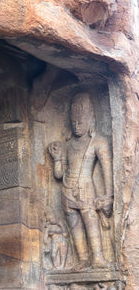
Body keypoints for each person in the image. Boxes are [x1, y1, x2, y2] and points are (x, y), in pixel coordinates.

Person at [48, 92, 113, 270]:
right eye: (74, 123)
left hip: (86, 191)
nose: (76, 127)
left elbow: (107, 171)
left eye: (80, 123)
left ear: (91, 118)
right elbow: (59, 175)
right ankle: (83, 258)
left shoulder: (99, 142)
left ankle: (98, 258)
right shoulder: (68, 145)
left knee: (91, 223)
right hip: (66, 193)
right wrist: (57, 158)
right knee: (75, 228)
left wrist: (108, 196)